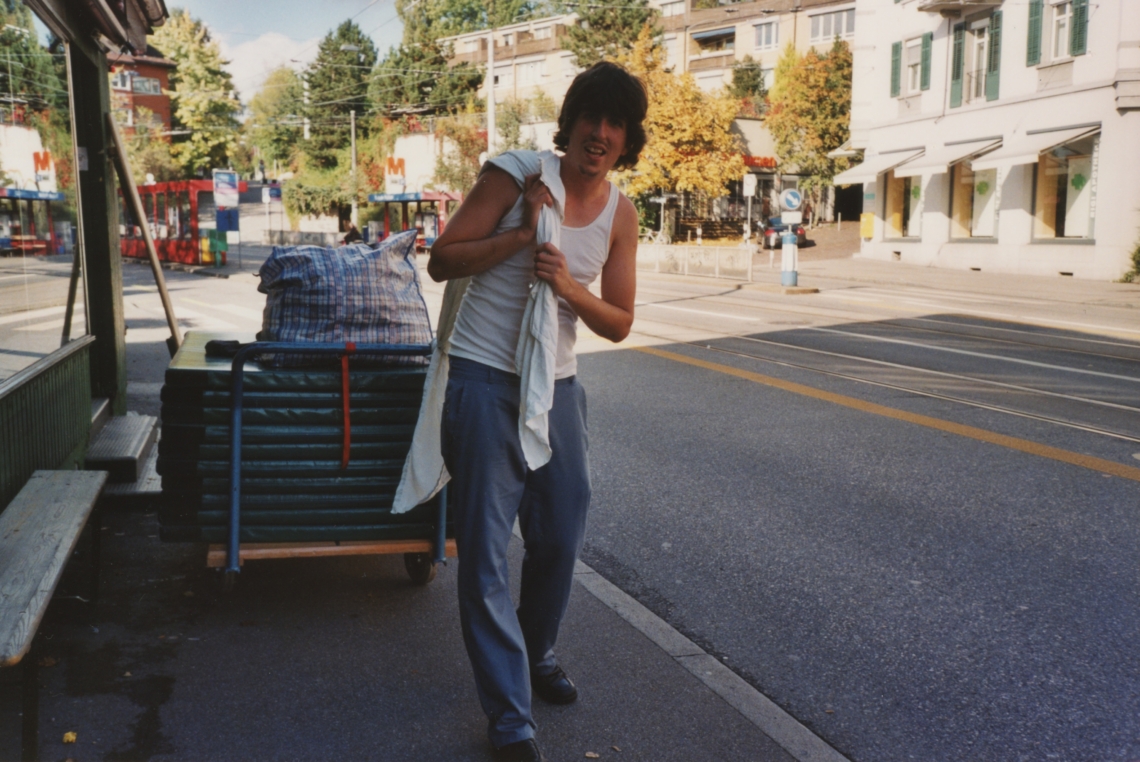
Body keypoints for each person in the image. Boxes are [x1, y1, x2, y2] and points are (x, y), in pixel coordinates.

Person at [427, 62, 647, 762]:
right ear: (571, 121)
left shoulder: (620, 214)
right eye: (591, 117)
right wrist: (522, 236)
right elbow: (443, 259)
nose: (600, 133)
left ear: (627, 139)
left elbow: (619, 321)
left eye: (616, 124)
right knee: (486, 555)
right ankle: (510, 717)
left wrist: (568, 287)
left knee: (560, 534)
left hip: (558, 386)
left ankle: (533, 650)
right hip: (485, 380)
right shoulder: (517, 173)